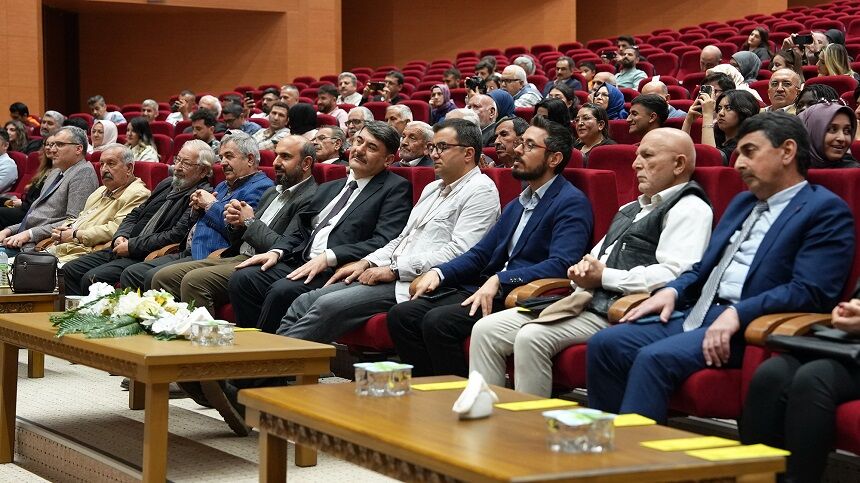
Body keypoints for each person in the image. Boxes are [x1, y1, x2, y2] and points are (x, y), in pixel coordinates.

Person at [587, 112, 856, 423]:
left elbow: (810, 291)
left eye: (750, 152)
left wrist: (738, 314)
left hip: (752, 324)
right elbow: (703, 267)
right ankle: (604, 442)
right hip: (699, 311)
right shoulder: (743, 203)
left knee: (654, 358)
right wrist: (672, 291)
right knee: (605, 344)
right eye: (738, 153)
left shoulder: (824, 211)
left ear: (787, 152)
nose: (739, 164)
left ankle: (635, 453)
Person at [470, 128, 713, 397]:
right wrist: (582, 270)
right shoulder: (629, 208)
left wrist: (604, 277)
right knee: (485, 330)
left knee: (531, 337)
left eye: (647, 156)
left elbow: (675, 275)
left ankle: (527, 423)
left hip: (622, 309)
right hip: (583, 299)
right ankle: (484, 412)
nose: (635, 164)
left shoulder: (690, 209)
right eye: (637, 156)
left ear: (678, 164)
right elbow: (594, 258)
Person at [387, 116, 594, 377]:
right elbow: (481, 253)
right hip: (487, 288)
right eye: (520, 143)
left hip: (524, 295)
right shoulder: (519, 202)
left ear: (554, 159)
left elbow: (562, 264)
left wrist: (501, 279)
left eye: (529, 145)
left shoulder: (571, 202)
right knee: (402, 315)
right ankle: (427, 390)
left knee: (438, 322)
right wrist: (440, 273)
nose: (518, 150)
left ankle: (456, 393)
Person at [276, 118, 500, 343]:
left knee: (326, 304)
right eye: (433, 147)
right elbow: (402, 239)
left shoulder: (481, 191)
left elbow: (460, 252)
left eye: (442, 147)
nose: (433, 154)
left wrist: (394, 270)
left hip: (420, 281)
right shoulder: (432, 188)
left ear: (468, 153)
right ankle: (272, 359)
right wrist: (368, 262)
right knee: (303, 301)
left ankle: (278, 361)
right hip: (393, 272)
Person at [228, 121, 412, 332]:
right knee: (243, 278)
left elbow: (384, 240)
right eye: (359, 141)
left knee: (282, 291)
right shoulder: (330, 187)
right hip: (299, 260)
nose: (359, 150)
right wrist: (277, 251)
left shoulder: (395, 188)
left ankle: (268, 348)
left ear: (388, 160)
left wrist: (330, 256)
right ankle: (250, 342)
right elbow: (300, 229)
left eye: (371, 147)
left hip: (336, 269)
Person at [149, 135, 319, 316]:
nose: (276, 162)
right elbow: (240, 239)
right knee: (162, 277)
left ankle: (204, 333)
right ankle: (169, 329)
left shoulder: (311, 197)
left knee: (193, 281)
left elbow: (284, 248)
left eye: (285, 157)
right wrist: (235, 223)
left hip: (266, 263)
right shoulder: (272, 192)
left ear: (306, 163)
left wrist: (248, 221)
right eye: (276, 155)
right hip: (239, 255)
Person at [120, 130, 274, 290]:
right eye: (221, 157)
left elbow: (239, 232)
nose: (223, 163)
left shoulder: (261, 187)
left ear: (250, 159)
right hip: (190, 249)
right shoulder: (223, 185)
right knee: (132, 273)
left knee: (153, 276)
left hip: (213, 256)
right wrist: (197, 210)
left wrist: (210, 205)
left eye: (229, 156)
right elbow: (203, 219)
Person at [740, 281, 860, 483]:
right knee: (771, 374)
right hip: (851, 347)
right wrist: (847, 312)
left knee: (814, 378)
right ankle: (756, 478)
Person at [62, 140, 213, 296]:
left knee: (92, 278)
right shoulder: (168, 184)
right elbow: (135, 213)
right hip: (125, 244)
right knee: (70, 269)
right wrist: (121, 235)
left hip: (145, 253)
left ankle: (92, 312)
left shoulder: (200, 195)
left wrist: (132, 246)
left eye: (186, 163)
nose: (177, 167)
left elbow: (176, 234)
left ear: (203, 171)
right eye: (178, 159)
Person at [0, 126, 98, 252]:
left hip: (40, 246)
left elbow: (73, 222)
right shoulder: (56, 171)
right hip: (21, 238)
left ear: (78, 149)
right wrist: (8, 230)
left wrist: (29, 234)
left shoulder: (83, 173)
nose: (52, 150)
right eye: (52, 145)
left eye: (60, 145)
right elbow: (35, 216)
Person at [46, 143, 150, 262]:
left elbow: (116, 229)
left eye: (111, 164)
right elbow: (82, 217)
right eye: (101, 164)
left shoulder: (138, 194)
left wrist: (75, 235)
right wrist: (64, 229)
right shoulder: (100, 190)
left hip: (87, 254)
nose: (104, 169)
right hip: (66, 247)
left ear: (129, 168)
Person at [685, 89, 760, 164]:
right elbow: (683, 153)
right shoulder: (715, 136)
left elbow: (710, 160)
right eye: (719, 108)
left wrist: (708, 115)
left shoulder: (744, 144)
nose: (721, 113)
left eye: (728, 108)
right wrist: (688, 121)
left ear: (743, 112)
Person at [0, 140, 51, 227]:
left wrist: (22, 203)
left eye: (54, 145)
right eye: (46, 145)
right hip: (26, 205)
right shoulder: (43, 170)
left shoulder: (55, 173)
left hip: (32, 212)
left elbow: (43, 203)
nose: (49, 148)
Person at [798, 101, 860, 168]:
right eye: (832, 129)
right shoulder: (792, 168)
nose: (842, 138)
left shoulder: (854, 171)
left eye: (847, 131)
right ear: (812, 132)